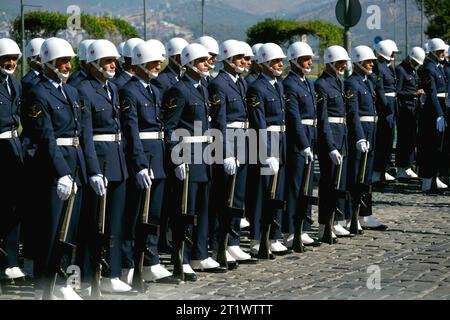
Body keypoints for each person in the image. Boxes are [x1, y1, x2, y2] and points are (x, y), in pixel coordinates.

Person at [26, 37, 99, 300]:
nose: (67, 66)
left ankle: (63, 282)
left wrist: (92, 170)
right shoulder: (38, 93)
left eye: (69, 61)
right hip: (54, 166)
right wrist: (62, 172)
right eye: (62, 61)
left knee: (72, 228)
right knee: (52, 227)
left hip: (75, 161)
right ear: (48, 63)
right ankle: (46, 286)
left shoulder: (72, 91)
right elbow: (46, 137)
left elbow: (83, 134)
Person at [163, 43, 226, 281]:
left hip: (203, 154)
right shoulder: (179, 90)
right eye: (202, 61)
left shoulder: (201, 88)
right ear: (189, 64)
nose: (208, 64)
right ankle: (183, 257)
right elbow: (170, 128)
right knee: (185, 209)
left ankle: (200, 253)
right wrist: (177, 157)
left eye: (208, 61)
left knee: (203, 208)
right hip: (188, 155)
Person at [120, 41, 180, 284]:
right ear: (140, 64)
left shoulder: (154, 90)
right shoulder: (129, 91)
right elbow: (131, 131)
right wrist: (140, 163)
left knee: (153, 214)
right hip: (142, 157)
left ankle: (151, 260)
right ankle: (129, 264)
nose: (158, 66)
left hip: (158, 157)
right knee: (134, 215)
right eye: (152, 62)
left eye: (159, 62)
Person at [76, 39, 131, 294]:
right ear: (94, 63)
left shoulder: (112, 88)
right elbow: (85, 135)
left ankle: (111, 273)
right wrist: (94, 169)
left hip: (116, 159)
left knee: (115, 223)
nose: (113, 65)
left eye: (114, 61)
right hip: (99, 160)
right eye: (108, 61)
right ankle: (88, 277)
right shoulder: (83, 90)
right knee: (92, 223)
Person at [208, 40, 258, 268]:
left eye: (247, 59)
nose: (246, 62)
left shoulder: (240, 82)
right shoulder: (219, 84)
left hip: (243, 141)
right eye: (241, 58)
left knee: (238, 196)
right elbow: (219, 120)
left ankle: (234, 241)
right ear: (228, 59)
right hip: (227, 142)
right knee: (223, 197)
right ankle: (221, 241)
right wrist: (226, 152)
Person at [246, 43, 290, 257]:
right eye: (275, 61)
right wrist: (268, 152)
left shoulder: (278, 85)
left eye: (281, 61)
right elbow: (259, 123)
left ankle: (274, 234)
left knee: (278, 191)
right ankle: (257, 238)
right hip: (266, 142)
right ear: (264, 64)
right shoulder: (256, 88)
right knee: (262, 192)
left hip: (281, 140)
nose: (280, 64)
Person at [283, 41, 323, 247]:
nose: (309, 63)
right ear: (294, 61)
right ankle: (291, 230)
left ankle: (304, 227)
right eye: (305, 59)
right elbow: (293, 117)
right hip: (299, 139)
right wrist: (303, 143)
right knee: (295, 185)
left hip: (310, 134)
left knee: (307, 186)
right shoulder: (289, 84)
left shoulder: (307, 82)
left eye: (310, 59)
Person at [345, 45, 387, 231]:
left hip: (372, 130)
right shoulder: (351, 83)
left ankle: (365, 214)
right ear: (359, 62)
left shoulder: (368, 82)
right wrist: (360, 137)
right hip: (360, 131)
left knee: (367, 177)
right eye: (368, 62)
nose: (371, 65)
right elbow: (353, 114)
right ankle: (350, 214)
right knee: (355, 176)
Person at [315, 45, 353, 240]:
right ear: (330, 63)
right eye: (339, 63)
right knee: (328, 183)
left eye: (344, 63)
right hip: (331, 139)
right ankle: (324, 223)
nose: (343, 66)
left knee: (340, 182)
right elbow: (323, 119)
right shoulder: (322, 85)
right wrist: (329, 146)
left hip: (342, 136)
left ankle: (336, 220)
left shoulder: (339, 83)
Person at [0, 38, 26, 281]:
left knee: (14, 205)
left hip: (13, 147)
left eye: (14, 59)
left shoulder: (15, 85)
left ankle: (11, 260)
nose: (10, 63)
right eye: (5, 58)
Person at [418, 38, 449, 192]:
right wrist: (438, 114)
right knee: (431, 147)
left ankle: (433, 181)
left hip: (441, 108)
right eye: (440, 51)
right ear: (433, 52)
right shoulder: (428, 68)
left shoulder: (438, 67)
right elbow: (432, 93)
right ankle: (427, 183)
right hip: (432, 111)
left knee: (439, 148)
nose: (443, 53)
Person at [395, 47, 426, 180]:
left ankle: (408, 165)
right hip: (404, 110)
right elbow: (398, 91)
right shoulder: (400, 70)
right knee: (404, 140)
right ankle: (402, 168)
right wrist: (413, 93)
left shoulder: (413, 70)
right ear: (410, 59)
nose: (416, 65)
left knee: (411, 139)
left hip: (413, 110)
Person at [372, 40, 399, 183]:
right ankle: (377, 172)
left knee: (388, 139)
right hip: (385, 107)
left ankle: (383, 169)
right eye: (392, 52)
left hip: (391, 106)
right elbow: (380, 88)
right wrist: (385, 106)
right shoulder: (377, 66)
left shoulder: (387, 67)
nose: (394, 55)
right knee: (382, 140)